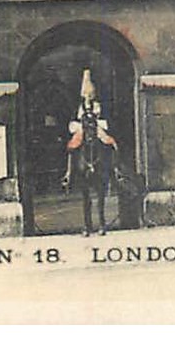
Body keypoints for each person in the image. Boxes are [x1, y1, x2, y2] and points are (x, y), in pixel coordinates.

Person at [63, 69, 118, 236]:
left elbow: (105, 119)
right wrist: (79, 127)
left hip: (96, 128)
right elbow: (73, 121)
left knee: (110, 143)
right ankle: (69, 173)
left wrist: (99, 126)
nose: (88, 95)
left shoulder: (99, 106)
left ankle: (115, 170)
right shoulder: (78, 107)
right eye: (85, 93)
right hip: (82, 129)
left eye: (90, 93)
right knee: (73, 147)